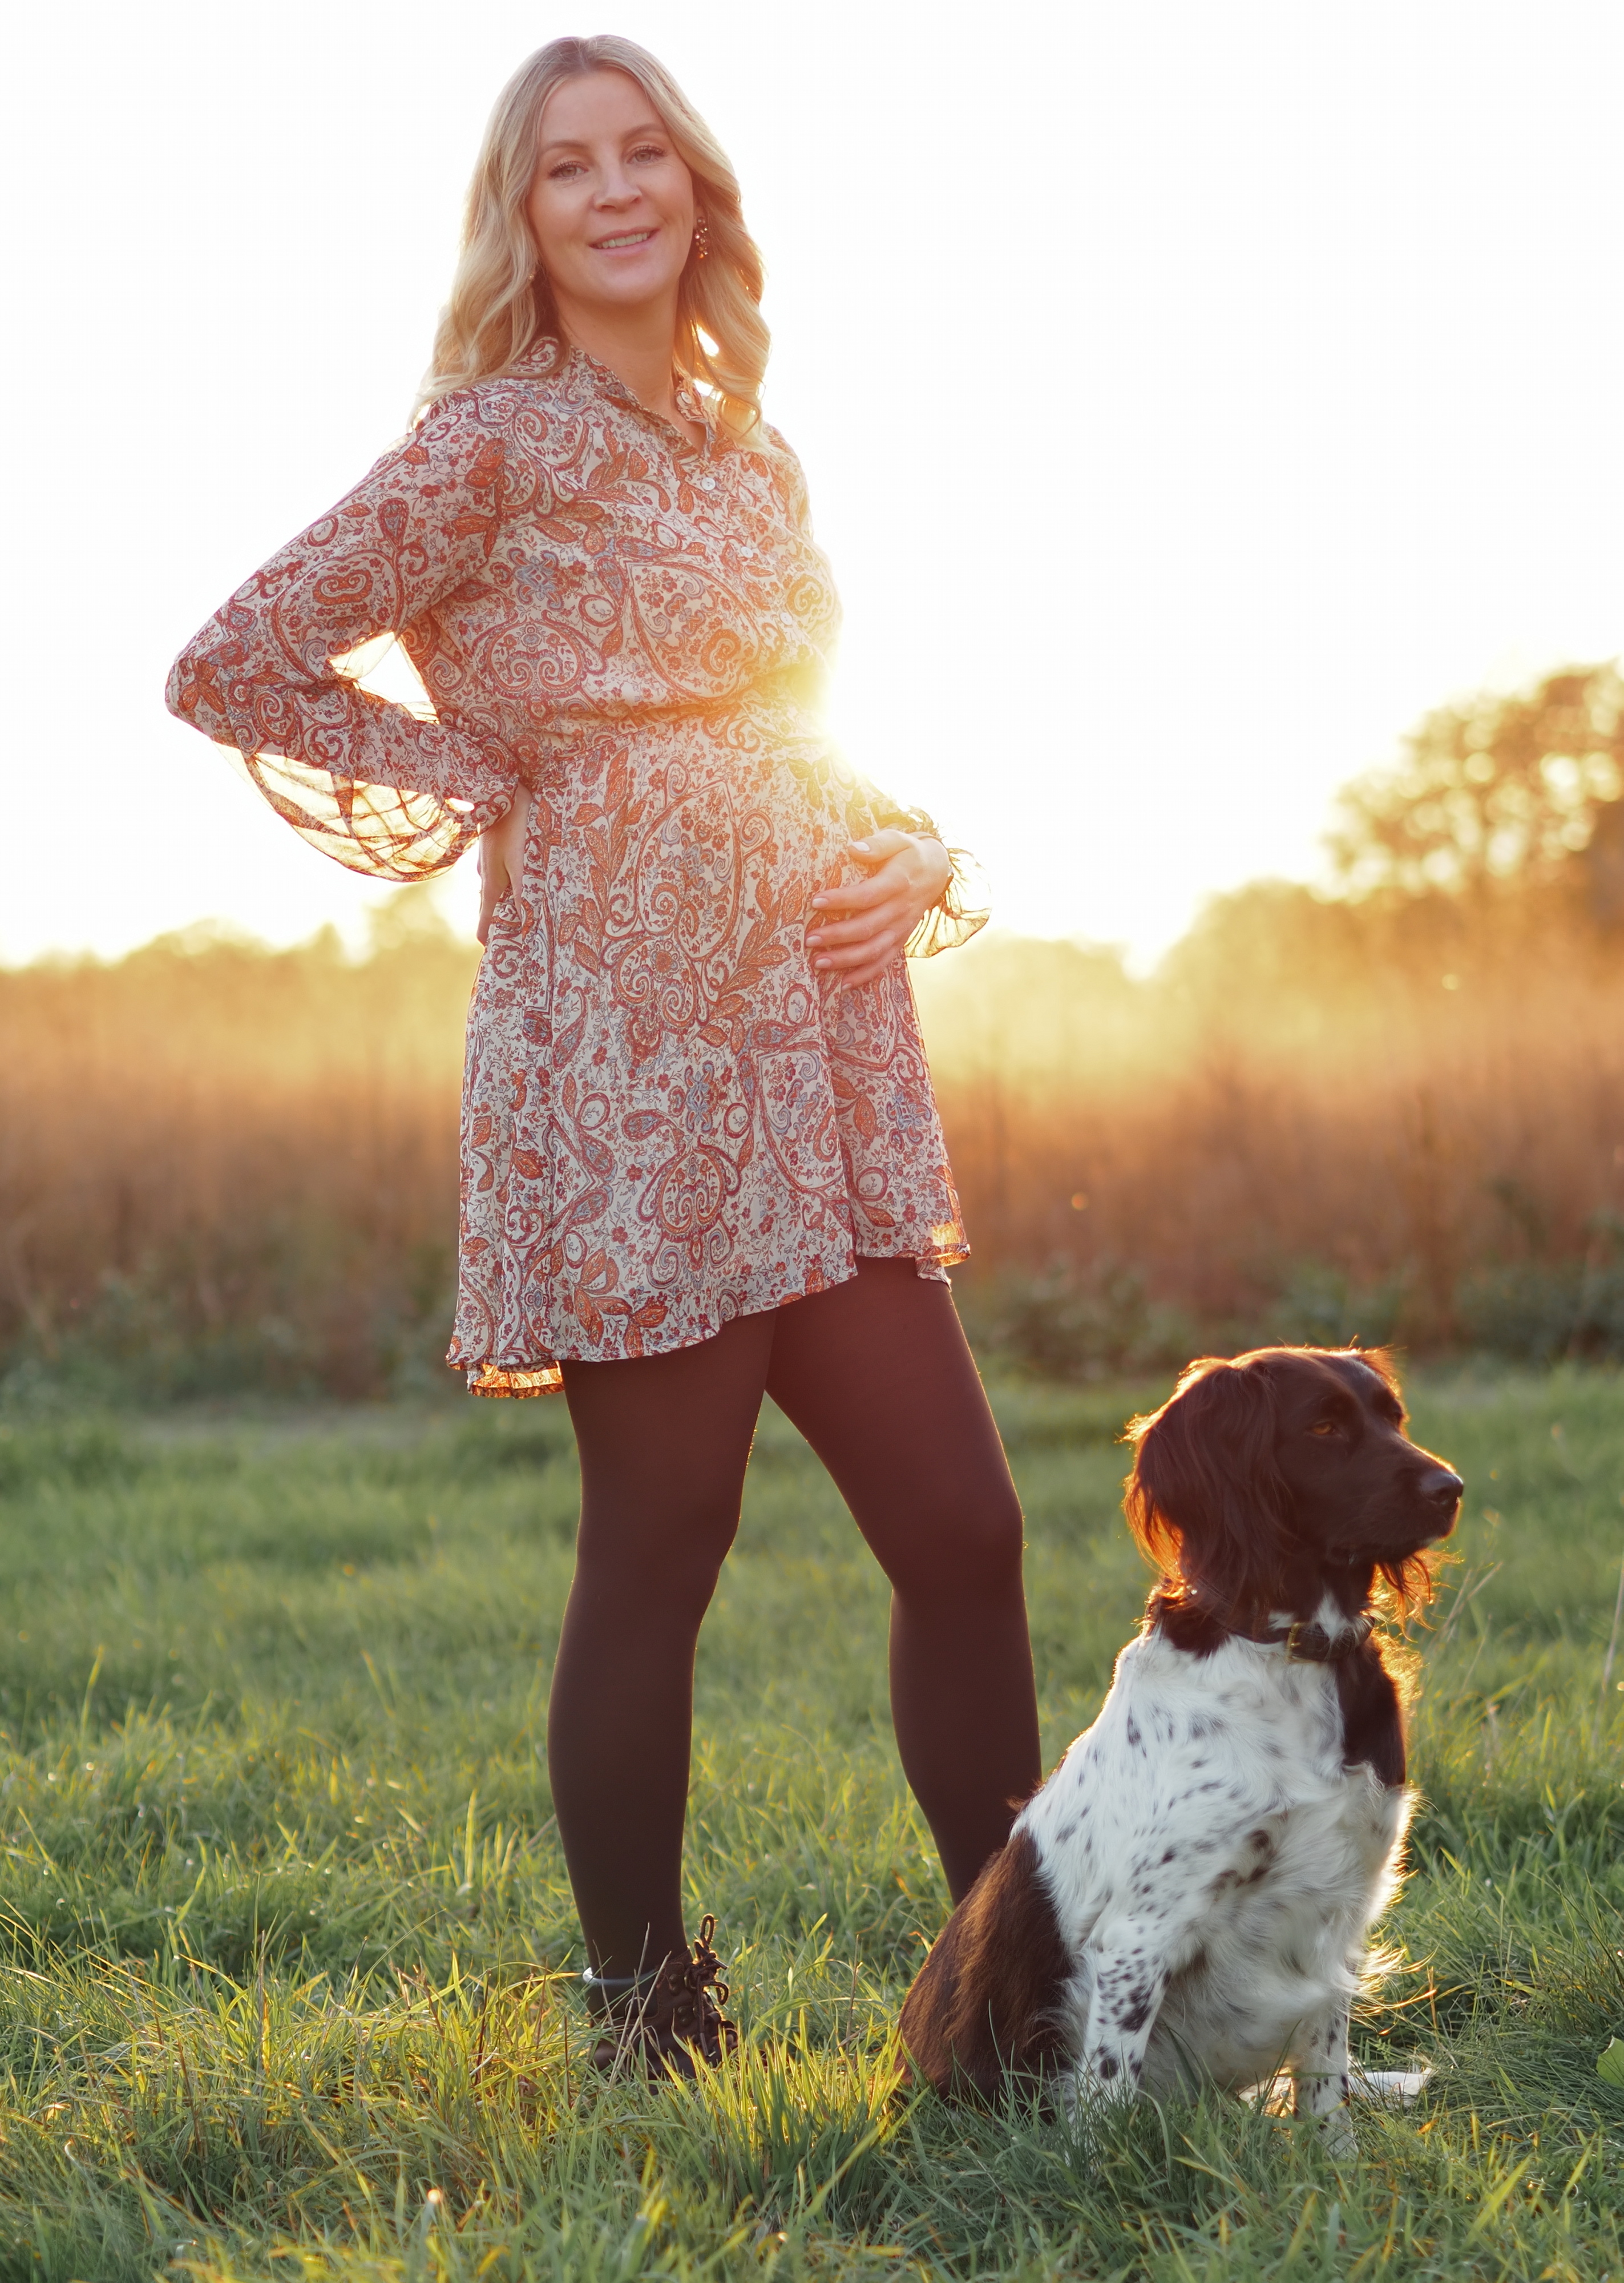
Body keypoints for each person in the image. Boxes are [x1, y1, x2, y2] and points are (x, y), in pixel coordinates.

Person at [166, 33, 1040, 2075]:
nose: (618, 188)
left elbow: (781, 720)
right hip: (625, 1060)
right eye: (571, 167)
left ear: (697, 187)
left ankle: (1013, 2005)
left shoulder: (753, 454)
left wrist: (916, 846)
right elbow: (234, 658)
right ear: (526, 216)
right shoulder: (488, 445)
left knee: (966, 1530)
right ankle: (649, 2014)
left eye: (647, 151)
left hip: (820, 1044)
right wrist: (495, 779)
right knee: (663, 1543)